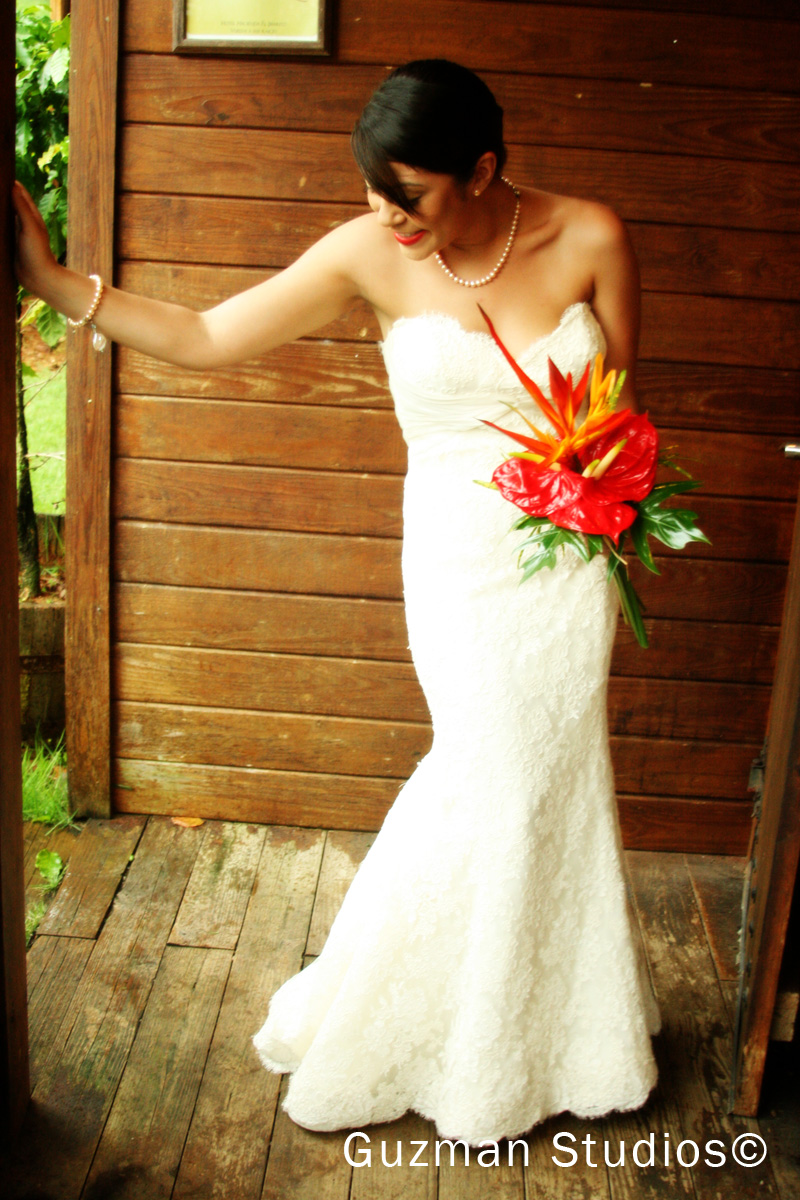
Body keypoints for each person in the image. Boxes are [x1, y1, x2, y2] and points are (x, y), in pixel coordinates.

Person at [15, 59, 659, 1144]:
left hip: (561, 568)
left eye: (407, 196)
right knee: (485, 773)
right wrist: (48, 278)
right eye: (372, 191)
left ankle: (545, 1028)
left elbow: (616, 413)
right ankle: (416, 1023)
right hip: (456, 565)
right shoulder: (369, 251)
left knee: (547, 782)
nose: (382, 216)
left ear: (483, 169)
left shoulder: (590, 236)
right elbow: (209, 335)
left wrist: (605, 497)